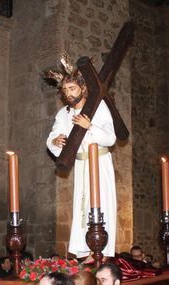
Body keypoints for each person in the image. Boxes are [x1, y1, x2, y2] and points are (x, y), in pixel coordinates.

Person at [45, 59, 117, 259]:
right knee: (82, 207)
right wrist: (56, 142)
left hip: (100, 163)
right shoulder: (63, 114)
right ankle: (85, 252)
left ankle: (101, 251)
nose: (68, 93)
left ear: (83, 88)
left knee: (101, 204)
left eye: (72, 88)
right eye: (65, 89)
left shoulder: (98, 107)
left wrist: (90, 126)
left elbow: (111, 138)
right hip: (81, 164)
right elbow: (51, 138)